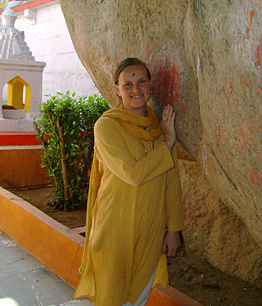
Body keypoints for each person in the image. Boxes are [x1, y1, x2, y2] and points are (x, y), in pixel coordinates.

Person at [62, 58, 184, 306]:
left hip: (150, 229)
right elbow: (133, 174)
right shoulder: (106, 126)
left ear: (150, 85)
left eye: (141, 82)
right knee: (111, 298)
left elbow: (170, 182)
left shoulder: (159, 129)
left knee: (137, 299)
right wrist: (167, 145)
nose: (135, 89)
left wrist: (174, 229)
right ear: (116, 89)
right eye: (127, 84)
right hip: (113, 230)